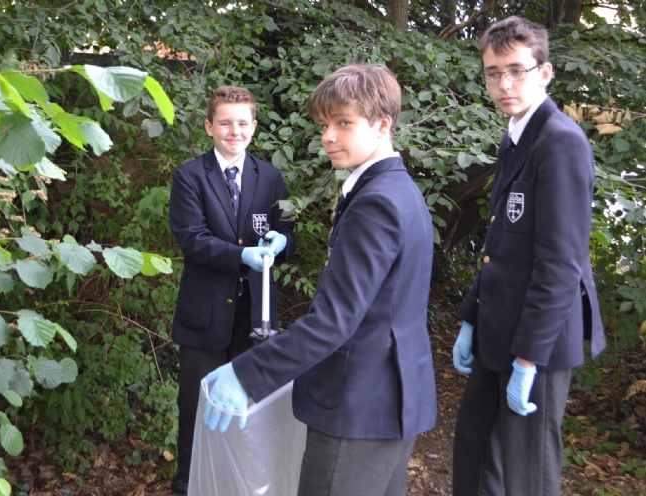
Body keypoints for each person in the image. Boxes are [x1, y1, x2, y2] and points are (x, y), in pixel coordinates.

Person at [202, 64, 436, 496]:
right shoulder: (399, 189)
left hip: (357, 407)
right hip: (390, 402)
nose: (328, 136)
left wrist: (248, 374)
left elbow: (334, 321)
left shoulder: (376, 203)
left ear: (382, 124)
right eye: (325, 125)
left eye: (344, 123)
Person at [450, 16, 606, 496]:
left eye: (516, 70)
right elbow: (501, 243)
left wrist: (528, 359)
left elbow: (560, 263)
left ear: (545, 72)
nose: (504, 84)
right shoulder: (516, 134)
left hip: (537, 341)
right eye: (493, 73)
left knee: (527, 475)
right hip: (498, 327)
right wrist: (471, 316)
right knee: (476, 452)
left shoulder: (560, 142)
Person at [168, 85, 296, 495]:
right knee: (197, 407)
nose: (234, 131)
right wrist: (241, 255)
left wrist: (282, 242)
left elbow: (287, 233)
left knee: (250, 409)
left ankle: (240, 486)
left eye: (242, 123)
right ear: (209, 126)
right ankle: (189, 485)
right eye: (225, 123)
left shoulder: (270, 177)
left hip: (256, 316)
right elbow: (192, 239)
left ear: (254, 127)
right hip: (205, 315)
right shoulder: (190, 176)